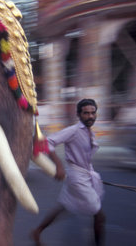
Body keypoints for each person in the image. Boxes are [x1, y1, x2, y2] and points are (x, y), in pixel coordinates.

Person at [31, 99, 105, 245]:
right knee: (99, 215)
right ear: (79, 114)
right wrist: (59, 165)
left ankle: (37, 231)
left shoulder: (90, 132)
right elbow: (47, 142)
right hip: (77, 178)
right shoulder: (74, 131)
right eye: (86, 113)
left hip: (84, 174)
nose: (90, 116)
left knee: (64, 206)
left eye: (92, 113)